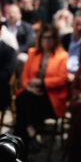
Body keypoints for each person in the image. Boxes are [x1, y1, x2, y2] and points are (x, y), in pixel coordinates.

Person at [14, 25, 69, 153]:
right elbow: (24, 77)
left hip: (50, 98)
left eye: (50, 38)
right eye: (44, 37)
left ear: (55, 39)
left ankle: (20, 149)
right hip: (31, 94)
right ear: (40, 38)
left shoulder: (62, 56)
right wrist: (29, 87)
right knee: (24, 99)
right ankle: (31, 134)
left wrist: (42, 82)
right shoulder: (33, 53)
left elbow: (62, 79)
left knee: (22, 103)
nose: (47, 41)